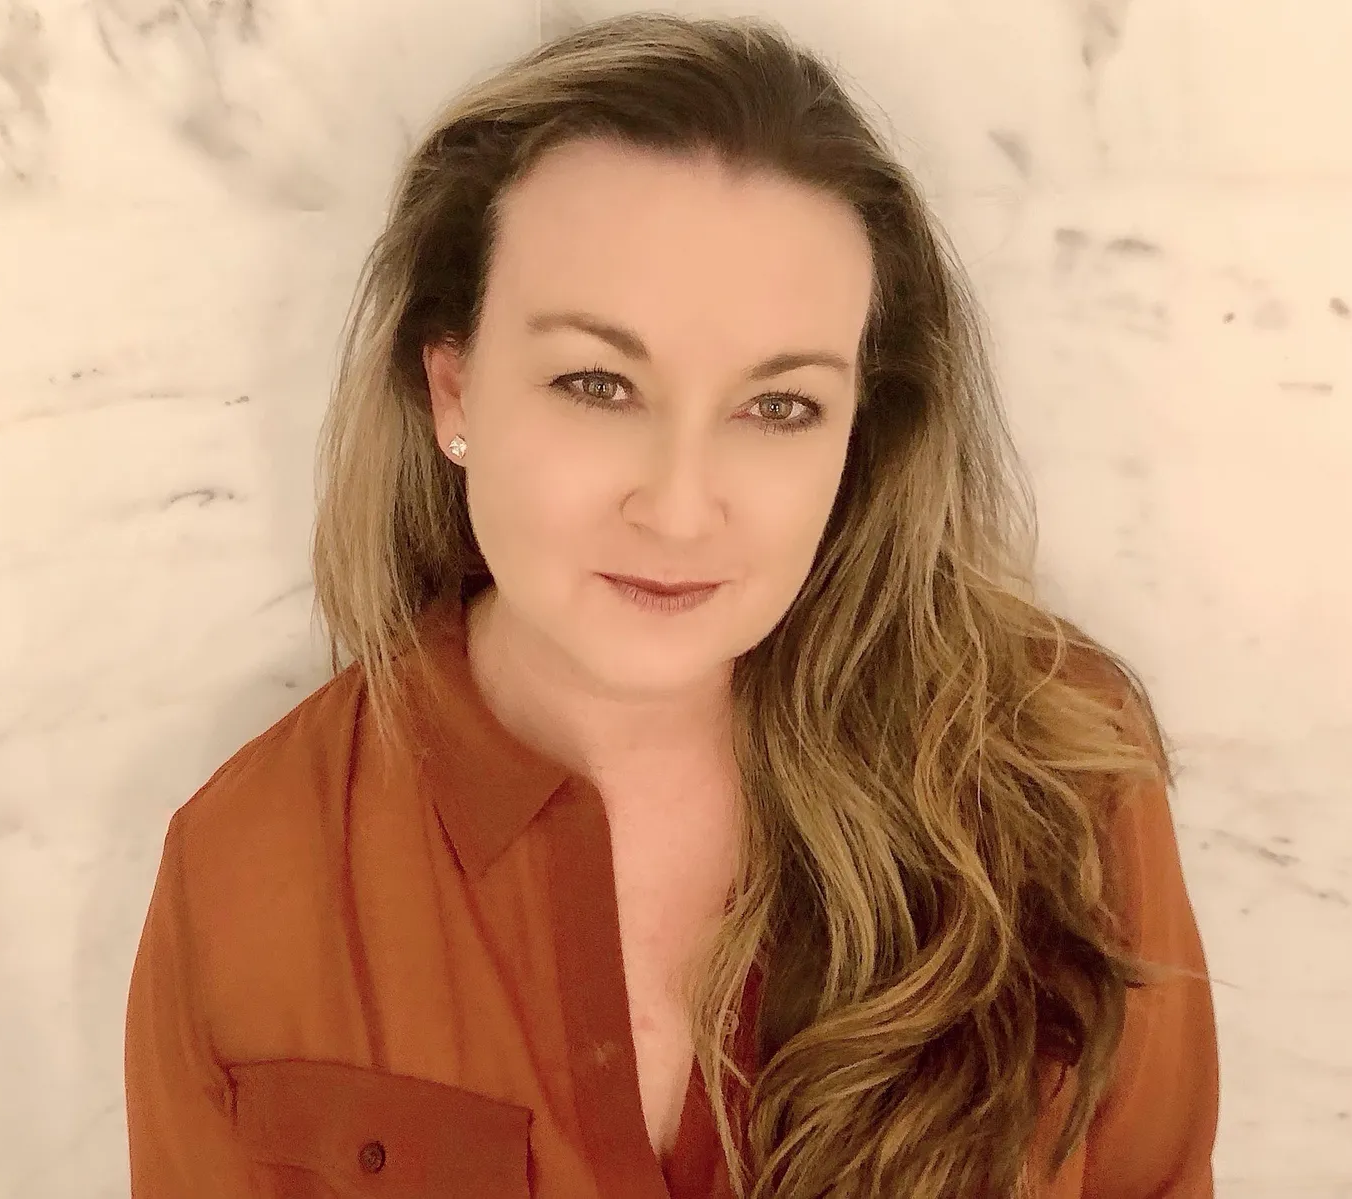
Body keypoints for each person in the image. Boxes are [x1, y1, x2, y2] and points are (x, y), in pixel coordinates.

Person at [124, 12, 1219, 1199]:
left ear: (858, 434)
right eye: (597, 383)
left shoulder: (1056, 772)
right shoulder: (245, 865)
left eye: (778, 406)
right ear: (454, 391)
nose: (682, 506)